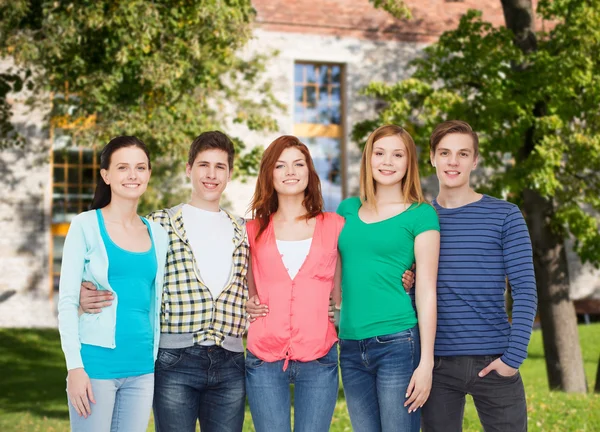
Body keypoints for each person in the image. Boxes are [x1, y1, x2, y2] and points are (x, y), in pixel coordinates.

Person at [79, 131, 249, 432]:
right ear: (189, 169)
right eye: (203, 165)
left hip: (231, 362)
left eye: (220, 167)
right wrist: (84, 289)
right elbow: (126, 270)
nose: (211, 174)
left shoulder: (244, 230)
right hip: (175, 360)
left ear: (230, 173)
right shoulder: (159, 224)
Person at [421, 120, 537, 432]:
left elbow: (525, 291)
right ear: (432, 157)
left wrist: (513, 358)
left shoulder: (505, 215)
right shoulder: (419, 219)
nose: (453, 162)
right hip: (437, 365)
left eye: (462, 154)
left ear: (475, 160)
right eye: (445, 153)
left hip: (495, 360)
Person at [57, 136, 169, 432]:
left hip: (143, 368)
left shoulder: (158, 234)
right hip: (96, 366)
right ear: (106, 175)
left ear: (148, 174)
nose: (132, 175)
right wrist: (74, 368)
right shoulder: (85, 225)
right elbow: (67, 301)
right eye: (122, 167)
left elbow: (153, 299)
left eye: (140, 167)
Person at [336, 124, 440, 432]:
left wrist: (426, 363)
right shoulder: (347, 210)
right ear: (368, 159)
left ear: (409, 163)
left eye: (398, 155)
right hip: (350, 346)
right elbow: (331, 271)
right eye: (379, 153)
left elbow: (426, 291)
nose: (387, 162)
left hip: (397, 342)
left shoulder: (421, 214)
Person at [244, 135, 344, 432]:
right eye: (280, 165)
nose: (290, 171)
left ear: (309, 172)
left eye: (298, 164)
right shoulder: (251, 230)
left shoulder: (335, 225)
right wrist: (247, 302)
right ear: (269, 175)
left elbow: (360, 272)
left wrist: (407, 273)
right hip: (264, 357)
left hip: (319, 355)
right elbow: (241, 284)